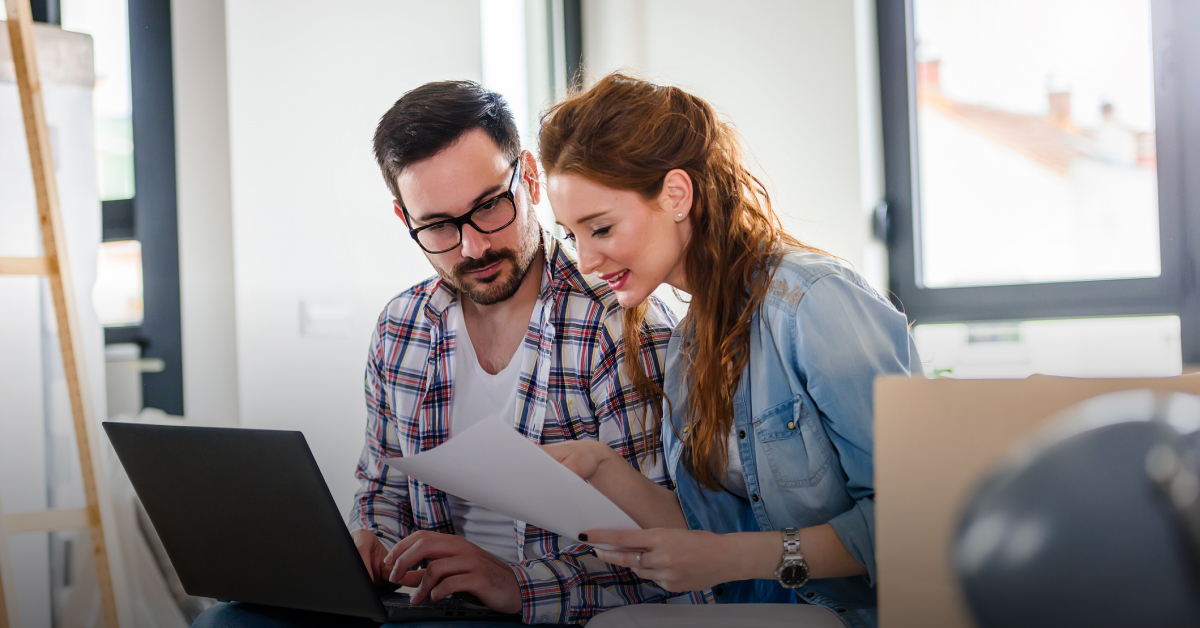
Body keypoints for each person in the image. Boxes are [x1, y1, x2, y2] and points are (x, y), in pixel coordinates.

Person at [193, 81, 704, 627]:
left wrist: (512, 583)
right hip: (429, 605)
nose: (473, 247)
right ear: (404, 219)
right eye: (437, 226)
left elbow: (664, 561)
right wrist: (371, 542)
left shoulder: (617, 324)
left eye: (489, 207)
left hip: (547, 610)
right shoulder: (402, 326)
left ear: (528, 177)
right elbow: (381, 490)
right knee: (228, 621)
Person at [538, 74, 922, 628]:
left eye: (600, 228)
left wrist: (726, 559)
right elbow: (714, 537)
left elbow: (912, 520)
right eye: (572, 234)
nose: (584, 259)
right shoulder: (689, 341)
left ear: (675, 195)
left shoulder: (812, 302)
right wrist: (600, 467)